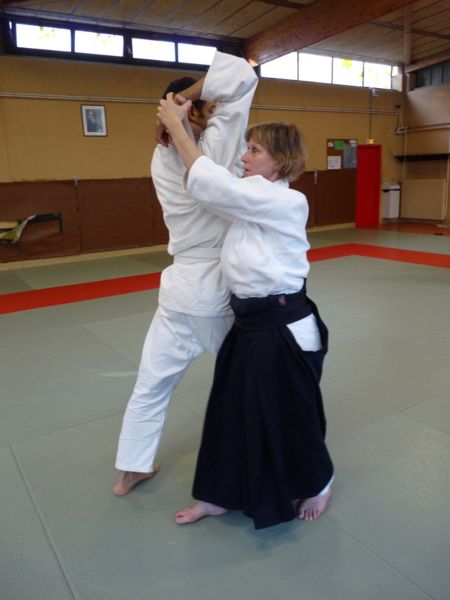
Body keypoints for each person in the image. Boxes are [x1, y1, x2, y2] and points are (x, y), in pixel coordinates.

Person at [157, 96, 334, 529]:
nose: (244, 156)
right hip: (250, 324)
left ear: (281, 160)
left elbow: (214, 185)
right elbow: (207, 183)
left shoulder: (287, 201)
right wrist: (185, 133)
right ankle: (219, 495)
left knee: (293, 413)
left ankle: (319, 483)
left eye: (254, 150)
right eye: (247, 148)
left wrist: (178, 126)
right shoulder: (251, 197)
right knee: (230, 411)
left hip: (283, 325)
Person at [113, 51, 258, 496]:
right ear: (191, 111)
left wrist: (170, 114)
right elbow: (242, 75)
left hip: (177, 288)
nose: (215, 113)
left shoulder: (160, 158)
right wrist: (181, 103)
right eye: (207, 108)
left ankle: (130, 468)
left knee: (152, 381)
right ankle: (261, 468)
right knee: (247, 382)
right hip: (215, 287)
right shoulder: (215, 150)